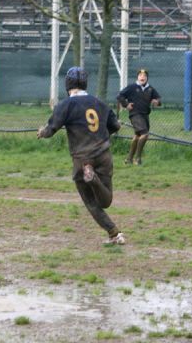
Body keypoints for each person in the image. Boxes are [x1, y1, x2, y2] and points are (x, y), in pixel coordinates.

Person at [37, 67, 125, 245]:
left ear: (67, 85)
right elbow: (115, 126)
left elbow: (50, 130)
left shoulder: (65, 105)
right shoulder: (99, 103)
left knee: (91, 203)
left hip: (82, 159)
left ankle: (114, 232)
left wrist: (42, 132)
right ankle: (114, 233)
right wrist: (104, 131)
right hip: (104, 155)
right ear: (85, 83)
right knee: (106, 201)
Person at [116, 69, 161, 165]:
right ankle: (138, 159)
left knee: (137, 136)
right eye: (140, 75)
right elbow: (120, 96)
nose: (142, 77)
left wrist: (157, 102)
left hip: (145, 115)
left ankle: (128, 159)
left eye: (144, 75)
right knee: (145, 134)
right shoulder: (132, 87)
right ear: (137, 77)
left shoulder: (150, 89)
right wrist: (126, 104)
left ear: (147, 78)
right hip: (135, 114)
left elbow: (158, 99)